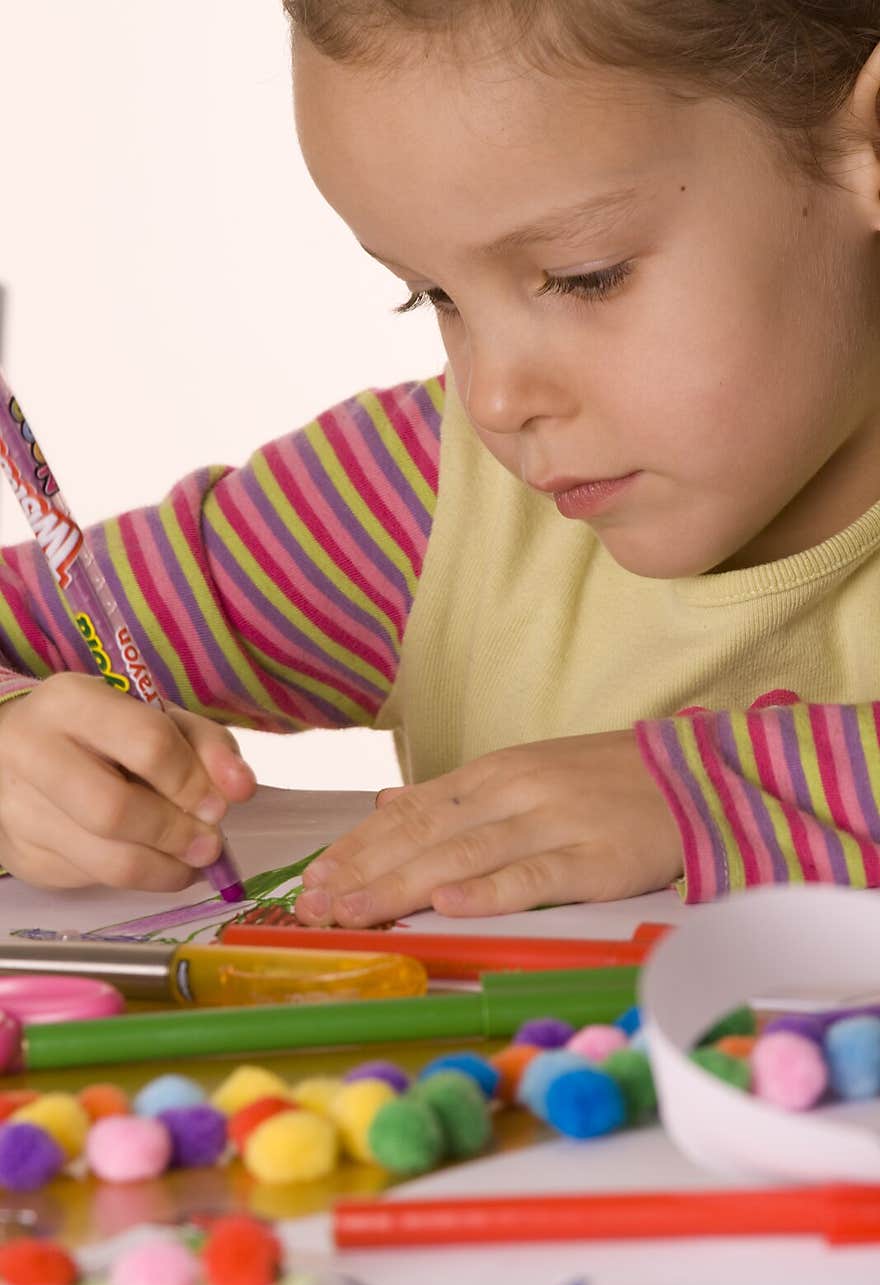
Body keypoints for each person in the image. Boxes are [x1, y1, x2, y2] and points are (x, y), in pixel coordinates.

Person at [2, 1, 879, 928]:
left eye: (584, 276)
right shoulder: (421, 500)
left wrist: (721, 790)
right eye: (432, 297)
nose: (494, 398)